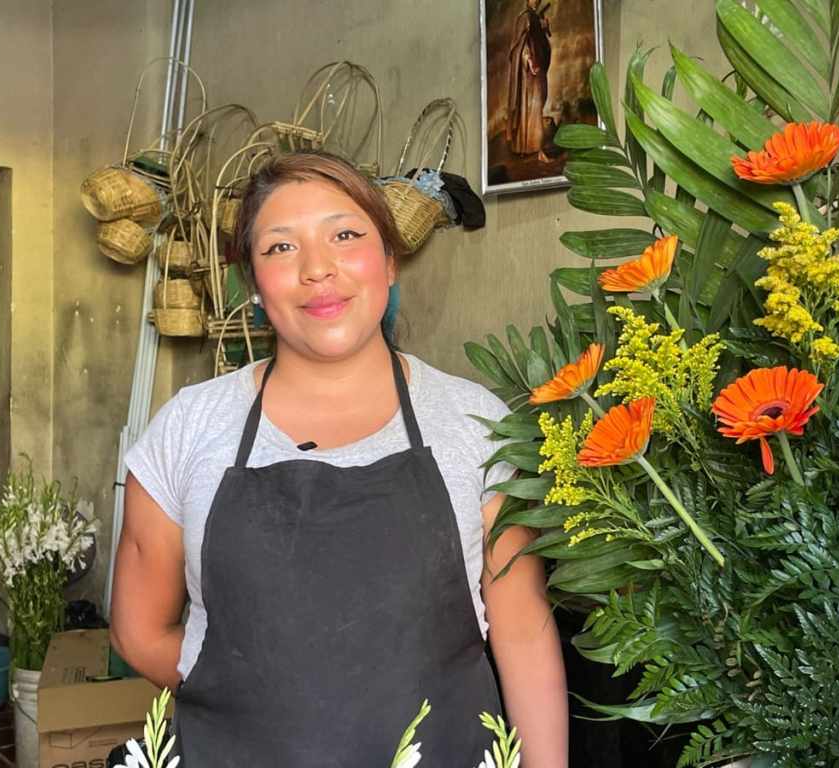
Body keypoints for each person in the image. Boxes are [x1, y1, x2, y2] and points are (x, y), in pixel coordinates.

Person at [110, 151, 568, 766]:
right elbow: (138, 631)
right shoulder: (190, 428)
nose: (317, 269)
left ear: (389, 260)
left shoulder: (473, 423)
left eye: (346, 235)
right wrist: (260, 689)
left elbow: (522, 630)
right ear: (252, 281)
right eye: (280, 248)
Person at [506, 0, 552, 157]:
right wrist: (529, 60)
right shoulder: (524, 18)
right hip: (529, 73)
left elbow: (540, 41)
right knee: (529, 107)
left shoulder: (534, 17)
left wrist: (544, 28)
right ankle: (532, 148)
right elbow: (520, 46)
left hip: (537, 71)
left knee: (536, 107)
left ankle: (530, 147)